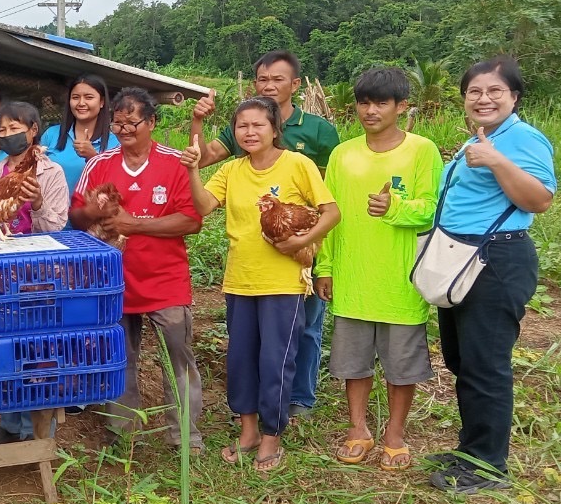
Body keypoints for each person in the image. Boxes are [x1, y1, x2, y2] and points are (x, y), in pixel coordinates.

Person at [180, 97, 339, 472]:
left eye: (258, 125)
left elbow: (332, 212)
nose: (249, 132)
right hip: (240, 280)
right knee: (241, 359)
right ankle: (248, 430)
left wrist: (302, 242)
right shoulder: (233, 170)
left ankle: (272, 435)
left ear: (274, 129)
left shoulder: (297, 165)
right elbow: (203, 206)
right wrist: (192, 171)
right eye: (242, 126)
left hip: (283, 283)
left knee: (275, 361)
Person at [427, 58, 554, 494]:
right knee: (463, 359)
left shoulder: (521, 139)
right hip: (463, 258)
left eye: (494, 91)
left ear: (514, 97)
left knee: (486, 364)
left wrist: (497, 161)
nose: (483, 99)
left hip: (497, 260)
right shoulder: (479, 140)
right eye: (474, 91)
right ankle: (472, 448)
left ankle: (487, 466)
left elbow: (539, 199)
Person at [314, 68, 442, 472]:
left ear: (401, 107)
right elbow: (328, 214)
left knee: (401, 367)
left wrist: (396, 208)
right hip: (352, 276)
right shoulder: (342, 154)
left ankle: (395, 435)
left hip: (401, 280)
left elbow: (432, 209)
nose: (370, 110)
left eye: (380, 102)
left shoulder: (422, 150)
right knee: (354, 363)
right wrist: (326, 266)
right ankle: (358, 430)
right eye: (364, 102)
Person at [69, 86, 204, 452]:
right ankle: (121, 434)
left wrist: (135, 225)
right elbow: (75, 215)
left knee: (178, 357)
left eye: (133, 122)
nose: (124, 129)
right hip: (113, 281)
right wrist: (93, 213)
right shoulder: (99, 165)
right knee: (119, 357)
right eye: (118, 122)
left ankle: (186, 438)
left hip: (165, 280)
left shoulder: (176, 162)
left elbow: (192, 221)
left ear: (152, 122)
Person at [0, 101, 68, 445]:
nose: (8, 135)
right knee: (6, 345)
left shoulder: (50, 173)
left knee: (38, 349)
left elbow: (56, 228)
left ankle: (37, 430)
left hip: (37, 272)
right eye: (2, 130)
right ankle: (10, 423)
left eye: (15, 129)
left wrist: (38, 203)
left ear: (33, 130)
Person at [41, 74, 119, 196]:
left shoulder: (115, 143)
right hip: (49, 213)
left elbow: (117, 185)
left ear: (102, 102)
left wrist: (93, 158)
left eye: (89, 97)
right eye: (75, 97)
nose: (81, 103)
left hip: (90, 214)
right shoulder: (51, 134)